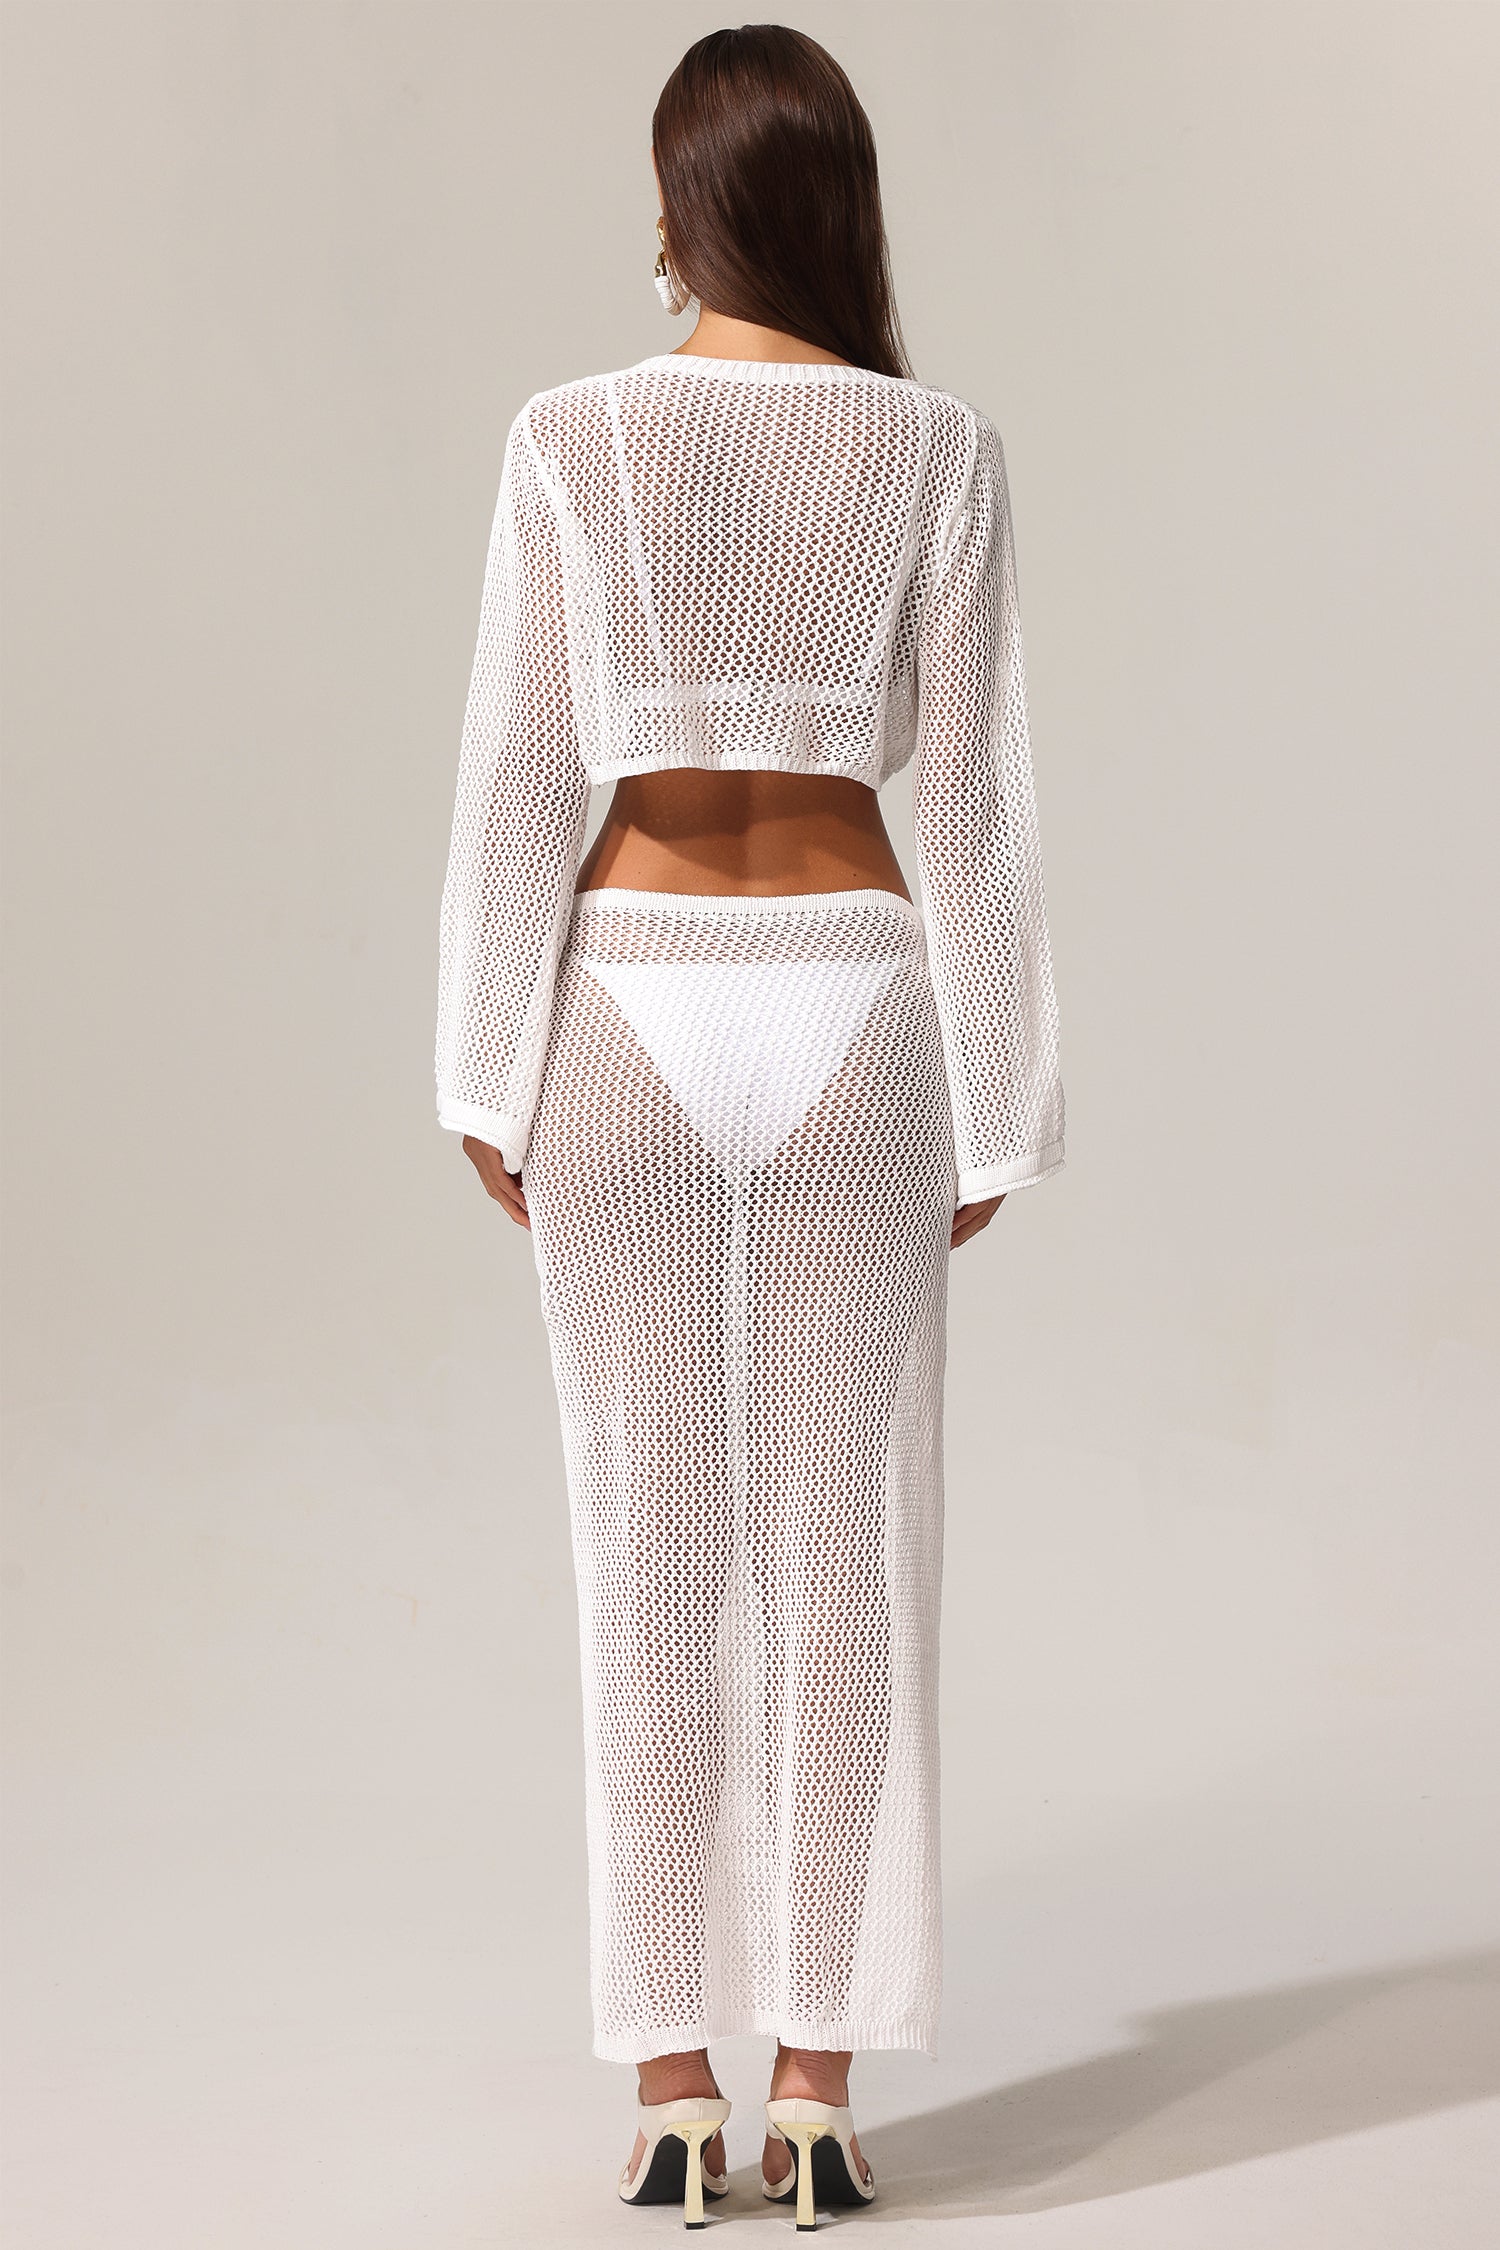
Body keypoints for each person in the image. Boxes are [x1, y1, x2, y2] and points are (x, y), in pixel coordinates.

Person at [433, 23, 1065, 2231]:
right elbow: (972, 801)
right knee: (847, 1549)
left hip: (620, 998)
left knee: (641, 1543)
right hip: (862, 1009)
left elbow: (522, 770)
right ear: (841, 207)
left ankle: (667, 2089)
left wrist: (482, 1062)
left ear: (680, 206)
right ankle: (816, 2091)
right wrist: (1002, 1093)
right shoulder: (938, 448)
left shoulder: (571, 438)